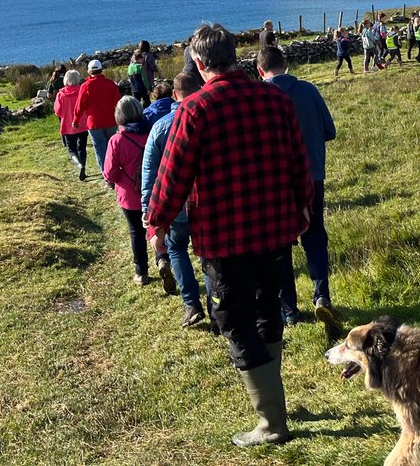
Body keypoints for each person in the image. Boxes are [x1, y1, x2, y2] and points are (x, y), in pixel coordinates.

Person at [146, 23, 312, 448]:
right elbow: (298, 160)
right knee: (267, 312)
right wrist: (304, 207)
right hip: (276, 229)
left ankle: (272, 422)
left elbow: (172, 177)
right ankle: (276, 406)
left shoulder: (194, 110)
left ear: (199, 63)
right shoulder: (275, 98)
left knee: (233, 322)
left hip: (224, 239)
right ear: (235, 55)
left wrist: (158, 223)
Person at [257, 45, 340, 332]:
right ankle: (321, 296)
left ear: (260, 70)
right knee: (316, 238)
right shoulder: (309, 91)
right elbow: (330, 131)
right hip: (313, 176)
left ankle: (289, 310)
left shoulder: (261, 99)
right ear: (286, 64)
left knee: (280, 246)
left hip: (277, 183)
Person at [141, 72, 207, 326]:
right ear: (199, 88)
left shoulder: (160, 127)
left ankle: (191, 303)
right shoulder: (206, 118)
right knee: (205, 255)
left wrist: (149, 211)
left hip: (173, 204)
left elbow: (150, 173)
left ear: (174, 96)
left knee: (177, 249)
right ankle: (215, 302)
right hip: (202, 202)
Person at [103, 95, 152, 286]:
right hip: (155, 191)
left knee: (136, 232)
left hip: (130, 196)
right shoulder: (153, 131)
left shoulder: (117, 140)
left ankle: (142, 273)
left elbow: (110, 173)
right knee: (159, 227)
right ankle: (163, 259)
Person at [73, 59, 120, 173]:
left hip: (94, 124)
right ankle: (115, 170)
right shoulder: (110, 84)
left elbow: (80, 106)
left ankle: (107, 175)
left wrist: (76, 120)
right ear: (101, 70)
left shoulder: (86, 86)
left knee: (100, 149)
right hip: (110, 121)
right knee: (112, 148)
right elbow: (118, 103)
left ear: (89, 71)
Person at [52, 69, 87, 180]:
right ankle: (83, 168)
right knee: (82, 147)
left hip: (68, 126)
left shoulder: (61, 94)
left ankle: (78, 165)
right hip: (83, 124)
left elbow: (57, 111)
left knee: (72, 149)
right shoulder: (82, 91)